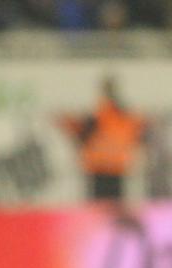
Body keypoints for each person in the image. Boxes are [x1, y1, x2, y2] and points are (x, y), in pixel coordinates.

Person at [58, 76, 147, 204]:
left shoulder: (105, 117)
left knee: (105, 206)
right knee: (107, 206)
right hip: (105, 168)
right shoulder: (109, 116)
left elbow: (80, 134)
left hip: (110, 168)